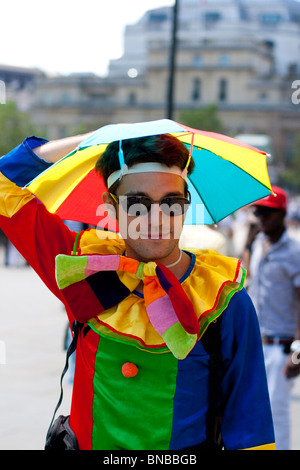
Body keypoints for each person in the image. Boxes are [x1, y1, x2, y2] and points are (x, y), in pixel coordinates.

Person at [0, 127, 275, 450]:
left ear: (186, 205)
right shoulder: (79, 267)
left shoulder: (224, 297)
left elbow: (250, 425)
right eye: (138, 204)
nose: (157, 218)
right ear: (111, 207)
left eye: (171, 202)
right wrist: (94, 139)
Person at [247, 186, 300, 450]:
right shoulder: (258, 244)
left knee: (276, 415)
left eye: (268, 213)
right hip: (258, 342)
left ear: (282, 214)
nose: (262, 218)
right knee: (255, 412)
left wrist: (298, 350)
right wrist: (247, 242)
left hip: (282, 344)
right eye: (258, 212)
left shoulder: (294, 252)